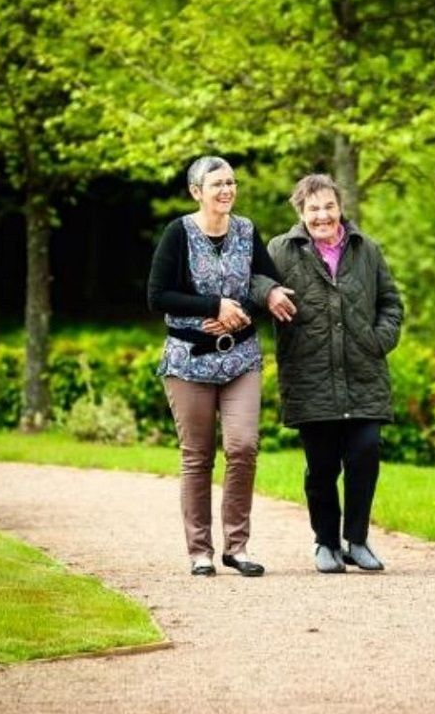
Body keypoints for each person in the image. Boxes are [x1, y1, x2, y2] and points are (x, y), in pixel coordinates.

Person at [147, 155, 296, 577]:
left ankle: (238, 546)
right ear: (197, 192)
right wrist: (214, 305)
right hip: (189, 360)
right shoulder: (178, 233)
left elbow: (265, 283)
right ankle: (200, 551)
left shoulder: (247, 231)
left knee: (243, 446)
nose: (227, 190)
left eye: (231, 182)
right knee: (197, 456)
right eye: (217, 184)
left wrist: (242, 310)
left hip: (242, 358)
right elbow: (158, 296)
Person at [267, 174, 403, 573]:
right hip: (310, 375)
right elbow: (255, 283)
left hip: (363, 372)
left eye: (328, 206)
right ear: (301, 212)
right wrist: (267, 292)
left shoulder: (368, 249)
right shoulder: (279, 250)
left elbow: (391, 302)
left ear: (340, 208)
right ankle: (326, 543)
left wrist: (378, 340)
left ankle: (356, 540)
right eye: (313, 209)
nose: (322, 215)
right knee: (322, 466)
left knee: (365, 454)